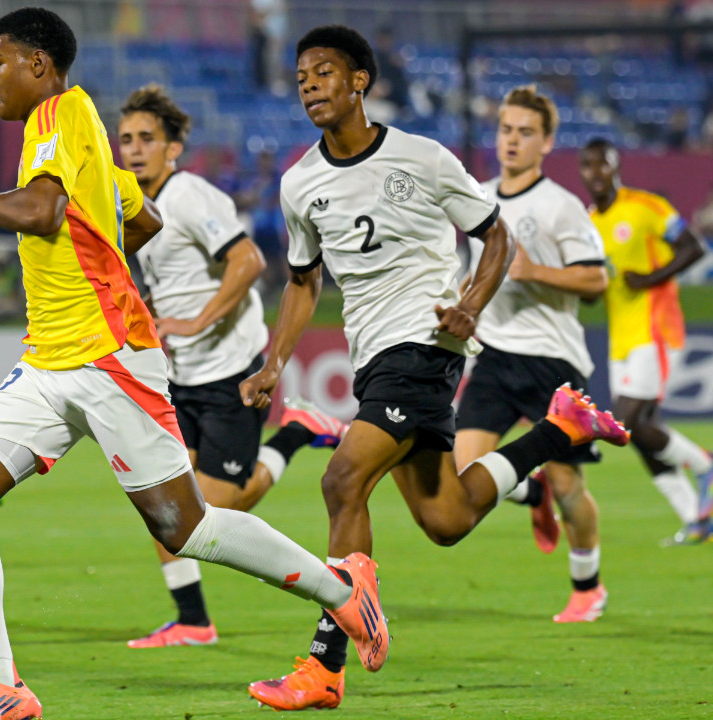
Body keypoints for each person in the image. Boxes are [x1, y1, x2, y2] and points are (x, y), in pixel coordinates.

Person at [0, 10, 389, 719]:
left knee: (185, 528)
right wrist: (101, 243)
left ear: (39, 66)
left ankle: (343, 590)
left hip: (107, 356)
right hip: (51, 359)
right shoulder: (86, 140)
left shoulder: (55, 115)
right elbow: (142, 221)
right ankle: (1, 687)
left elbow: (43, 213)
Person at [237, 26, 630, 711]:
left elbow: (495, 234)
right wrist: (274, 363)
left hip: (424, 342)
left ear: (359, 81)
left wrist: (472, 305)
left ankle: (326, 665)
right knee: (445, 517)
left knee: (342, 478)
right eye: (301, 75)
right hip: (374, 353)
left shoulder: (421, 157)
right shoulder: (299, 183)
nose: (308, 83)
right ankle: (559, 432)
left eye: (324, 71)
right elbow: (303, 282)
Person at [117, 83, 348, 649]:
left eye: (148, 138)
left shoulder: (191, 197)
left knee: (212, 513)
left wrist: (195, 321)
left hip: (227, 372)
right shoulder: (126, 201)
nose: (135, 149)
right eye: (126, 139)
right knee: (163, 505)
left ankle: (294, 434)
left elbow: (249, 260)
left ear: (173, 148)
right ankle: (193, 620)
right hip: (178, 378)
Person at [455, 86, 611, 623]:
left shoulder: (561, 206)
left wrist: (532, 270)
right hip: (496, 356)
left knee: (571, 486)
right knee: (463, 471)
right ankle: (529, 492)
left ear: (546, 142)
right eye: (505, 130)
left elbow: (597, 279)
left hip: (555, 361)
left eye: (525, 132)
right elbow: (467, 274)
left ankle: (588, 585)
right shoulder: (477, 197)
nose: (512, 141)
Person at [578, 137, 713, 545]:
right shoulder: (588, 223)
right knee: (639, 432)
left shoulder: (645, 207)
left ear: (616, 168)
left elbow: (693, 248)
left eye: (603, 165)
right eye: (588, 166)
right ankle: (696, 518)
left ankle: (704, 465)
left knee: (629, 422)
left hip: (655, 327)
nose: (596, 173)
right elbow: (591, 288)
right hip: (621, 335)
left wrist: (650, 278)